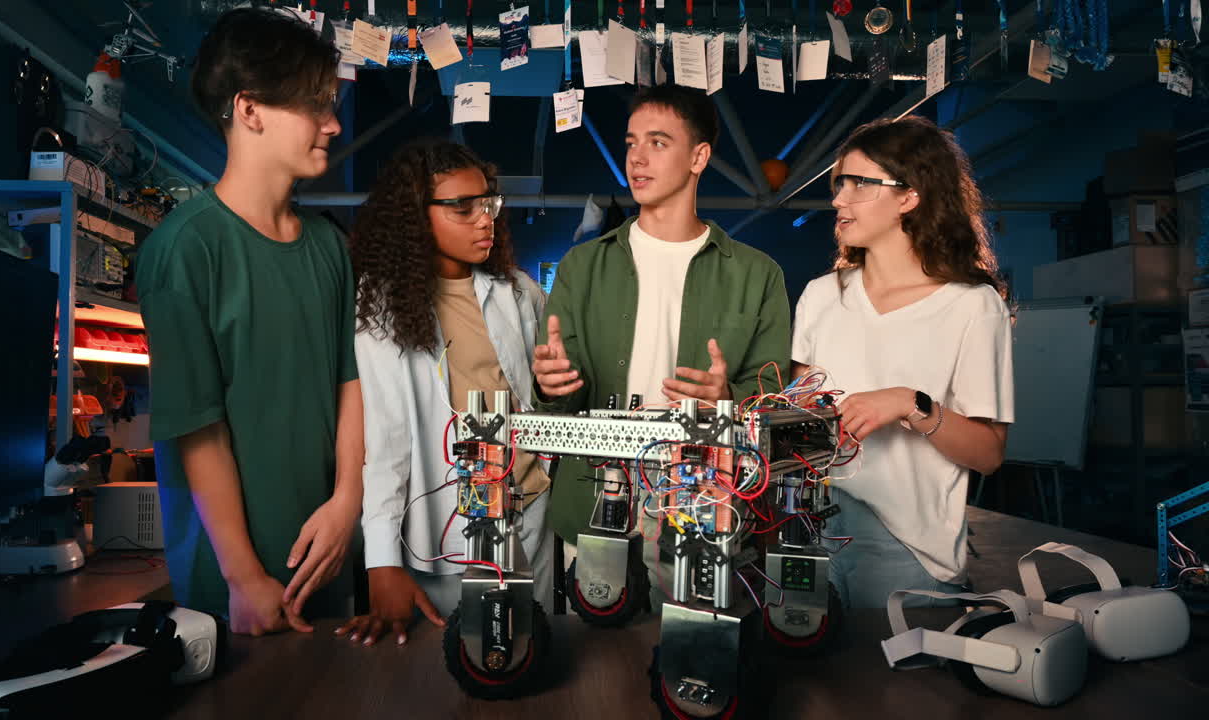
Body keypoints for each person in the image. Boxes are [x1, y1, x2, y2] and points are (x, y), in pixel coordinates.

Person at [137, 7, 364, 635]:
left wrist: (348, 500)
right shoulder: (186, 250)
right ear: (249, 108)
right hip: (236, 581)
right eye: (314, 106)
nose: (333, 123)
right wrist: (242, 577)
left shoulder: (327, 246)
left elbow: (351, 384)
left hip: (331, 552)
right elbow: (198, 429)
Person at [533, 85, 791, 563]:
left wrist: (729, 399)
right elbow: (560, 401)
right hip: (591, 504)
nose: (637, 158)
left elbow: (772, 396)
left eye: (658, 142)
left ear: (699, 157)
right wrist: (551, 385)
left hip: (704, 506)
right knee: (593, 635)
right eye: (631, 143)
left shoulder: (757, 275)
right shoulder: (581, 266)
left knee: (693, 635)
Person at [790, 115, 1014, 609]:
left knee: (891, 688)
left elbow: (988, 453)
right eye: (838, 184)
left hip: (908, 554)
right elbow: (799, 421)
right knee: (813, 682)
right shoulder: (821, 296)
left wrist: (910, 404)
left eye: (859, 185)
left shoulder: (972, 305)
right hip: (812, 533)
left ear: (909, 197)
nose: (839, 200)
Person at [338, 139, 551, 646]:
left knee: (534, 657)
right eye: (462, 207)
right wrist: (382, 561)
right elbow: (386, 443)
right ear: (414, 215)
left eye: (488, 203)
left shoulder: (518, 290)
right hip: (452, 520)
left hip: (533, 504)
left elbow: (538, 393)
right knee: (459, 664)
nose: (485, 220)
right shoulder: (382, 306)